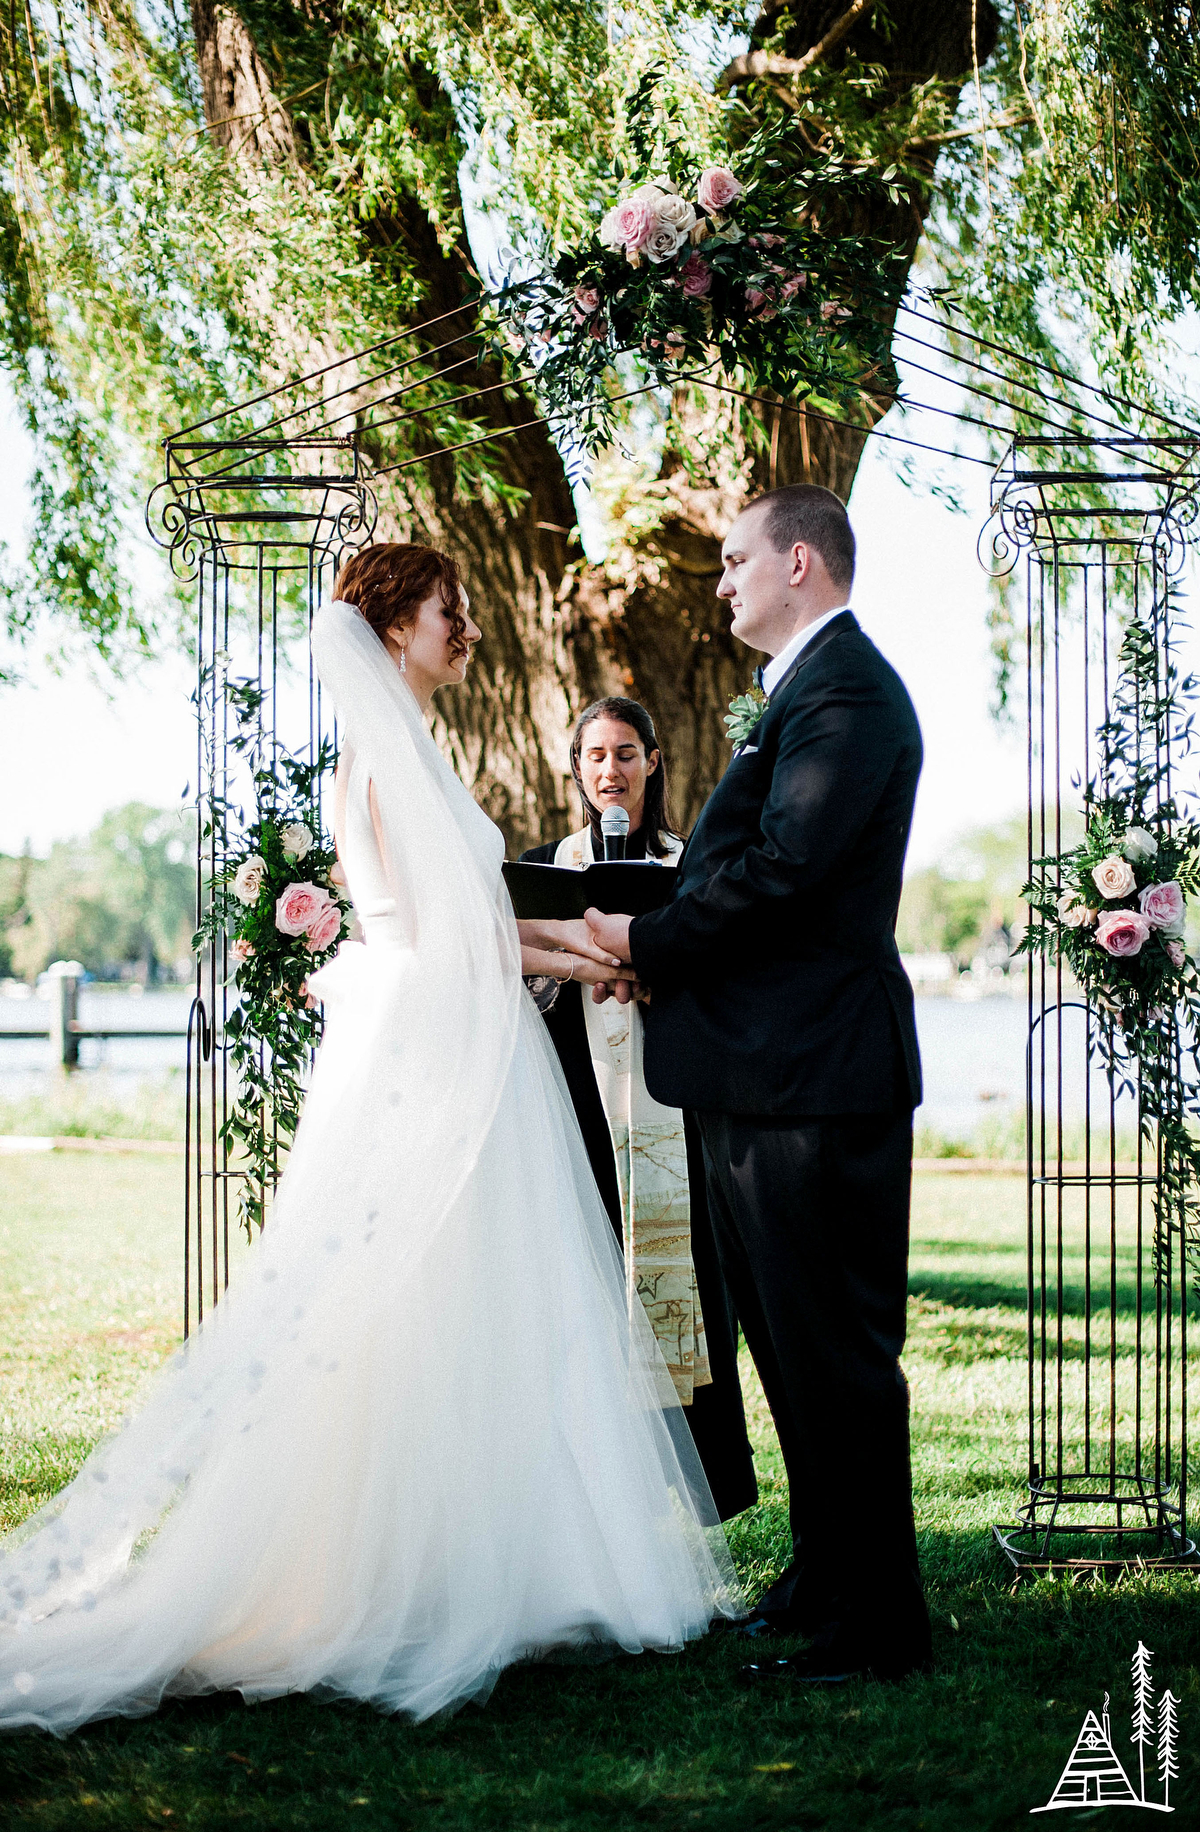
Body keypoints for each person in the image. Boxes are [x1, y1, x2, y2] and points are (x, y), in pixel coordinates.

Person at [0, 542, 739, 1736]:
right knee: (410, 1298)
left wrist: (592, 952)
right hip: (431, 1046)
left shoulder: (409, 752)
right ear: (397, 626)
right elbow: (452, 939)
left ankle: (505, 1557)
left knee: (490, 1303)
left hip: (454, 1031)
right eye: (453, 612)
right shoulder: (384, 766)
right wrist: (600, 954)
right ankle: (395, 1572)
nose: (469, 632)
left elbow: (480, 919)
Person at [585, 485, 931, 1685]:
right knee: (786, 1347)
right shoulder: (804, 691)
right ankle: (826, 1572)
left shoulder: (848, 692)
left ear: (799, 559)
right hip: (762, 1067)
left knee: (834, 1353)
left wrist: (646, 946)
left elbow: (785, 870)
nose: (720, 581)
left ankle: (878, 1619)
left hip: (815, 1077)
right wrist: (662, 959)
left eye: (735, 561)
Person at [521, 699, 757, 1522]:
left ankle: (703, 1483)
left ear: (653, 761)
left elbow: (728, 972)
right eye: (594, 756)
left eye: (626, 753)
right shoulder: (545, 866)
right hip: (583, 1109)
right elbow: (526, 984)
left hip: (672, 1110)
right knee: (588, 1282)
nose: (610, 770)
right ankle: (600, 1488)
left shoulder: (696, 862)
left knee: (690, 1274)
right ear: (577, 769)